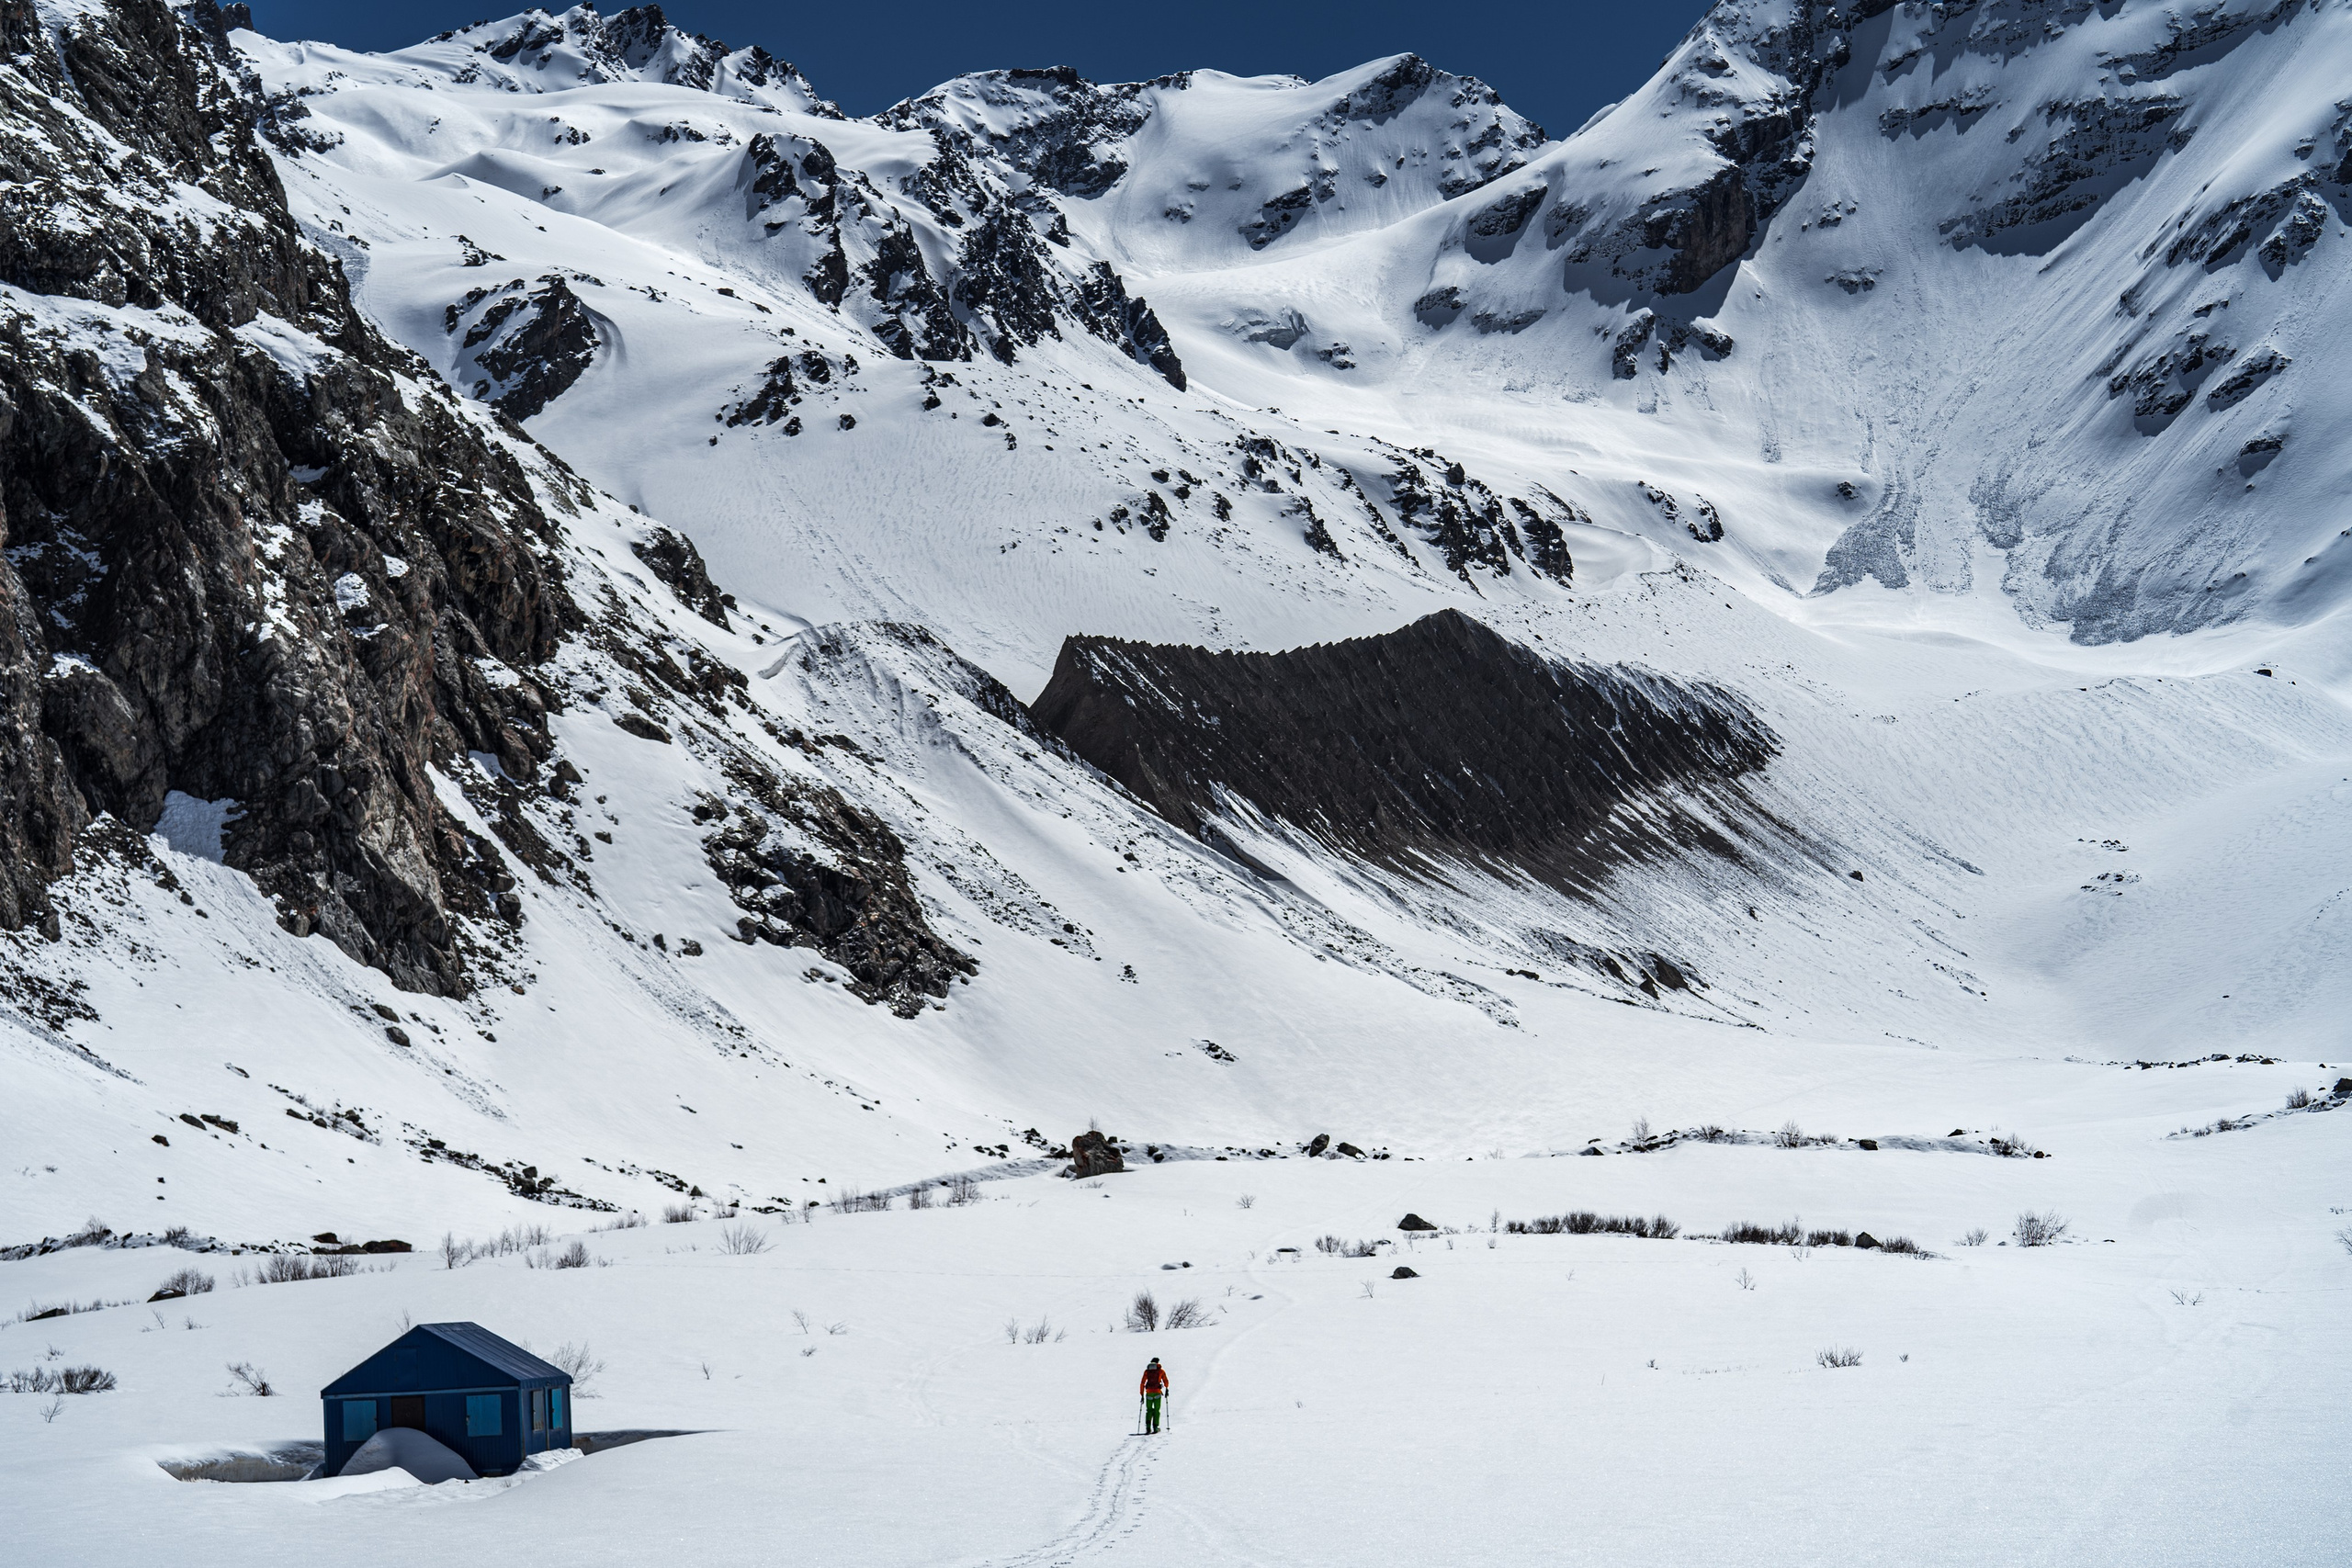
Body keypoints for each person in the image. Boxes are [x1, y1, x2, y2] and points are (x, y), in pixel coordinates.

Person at [1139, 1358, 1170, 1434]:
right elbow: (1166, 1381)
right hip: (1157, 1393)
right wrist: (1166, 1388)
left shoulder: (1147, 1371)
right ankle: (1155, 1427)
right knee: (1157, 1410)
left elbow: (1142, 1383)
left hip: (1149, 1393)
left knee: (1149, 1410)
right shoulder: (1160, 1371)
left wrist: (1142, 1394)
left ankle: (1148, 1427)